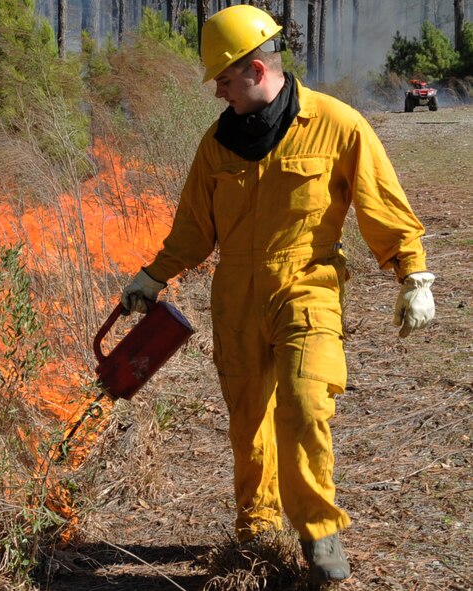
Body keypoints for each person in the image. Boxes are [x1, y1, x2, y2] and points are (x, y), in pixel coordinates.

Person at [120, 4, 435, 585]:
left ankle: (318, 530)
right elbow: (194, 228)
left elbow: (380, 202)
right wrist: (154, 275)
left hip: (306, 284)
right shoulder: (215, 146)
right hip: (235, 297)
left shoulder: (336, 124)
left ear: (256, 70)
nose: (217, 91)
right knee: (248, 421)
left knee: (305, 401)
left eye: (223, 77)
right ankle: (257, 530)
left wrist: (411, 273)